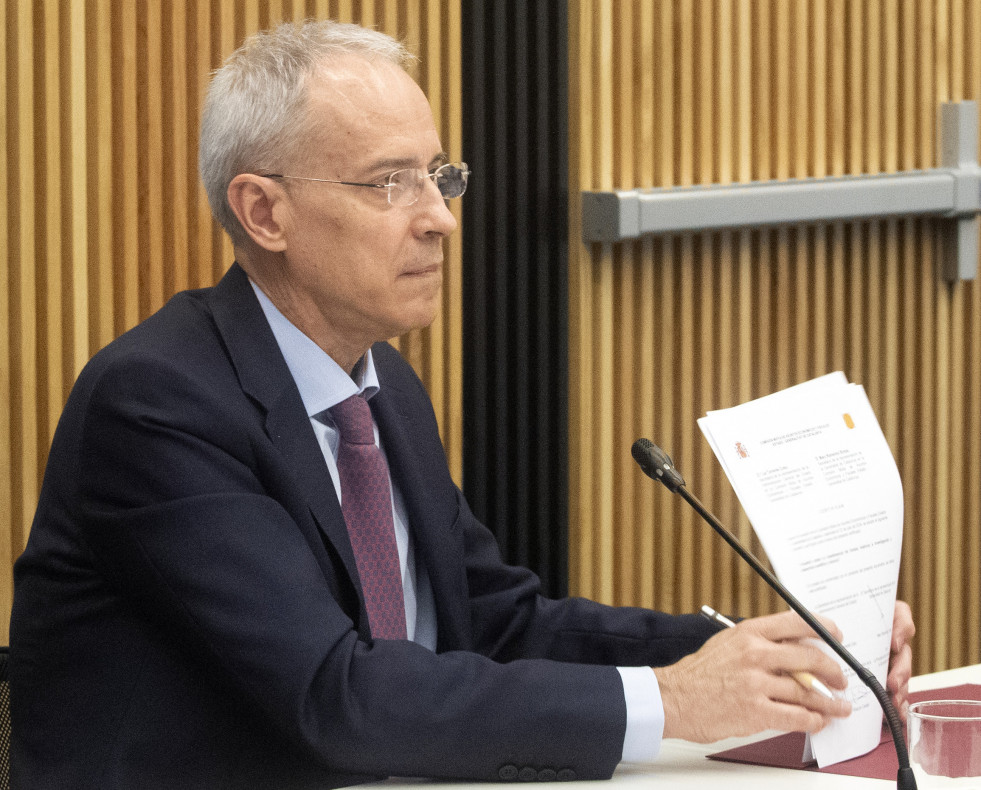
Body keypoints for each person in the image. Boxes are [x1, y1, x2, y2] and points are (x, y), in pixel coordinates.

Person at [9, 19, 915, 790]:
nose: (440, 218)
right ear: (265, 213)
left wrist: (750, 653)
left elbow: (492, 624)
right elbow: (337, 697)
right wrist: (676, 701)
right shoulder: (160, 404)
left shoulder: (380, 385)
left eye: (439, 177)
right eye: (387, 182)